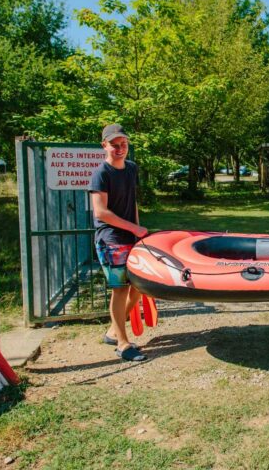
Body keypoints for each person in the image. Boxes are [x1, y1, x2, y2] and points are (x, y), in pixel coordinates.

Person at [91, 123, 149, 362]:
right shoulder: (101, 173)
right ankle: (123, 344)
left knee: (139, 287)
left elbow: (131, 202)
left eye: (123, 144)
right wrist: (134, 228)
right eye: (114, 145)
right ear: (104, 145)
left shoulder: (131, 169)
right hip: (110, 239)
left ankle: (114, 330)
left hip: (130, 238)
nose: (120, 148)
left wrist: (138, 233)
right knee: (121, 289)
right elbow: (101, 213)